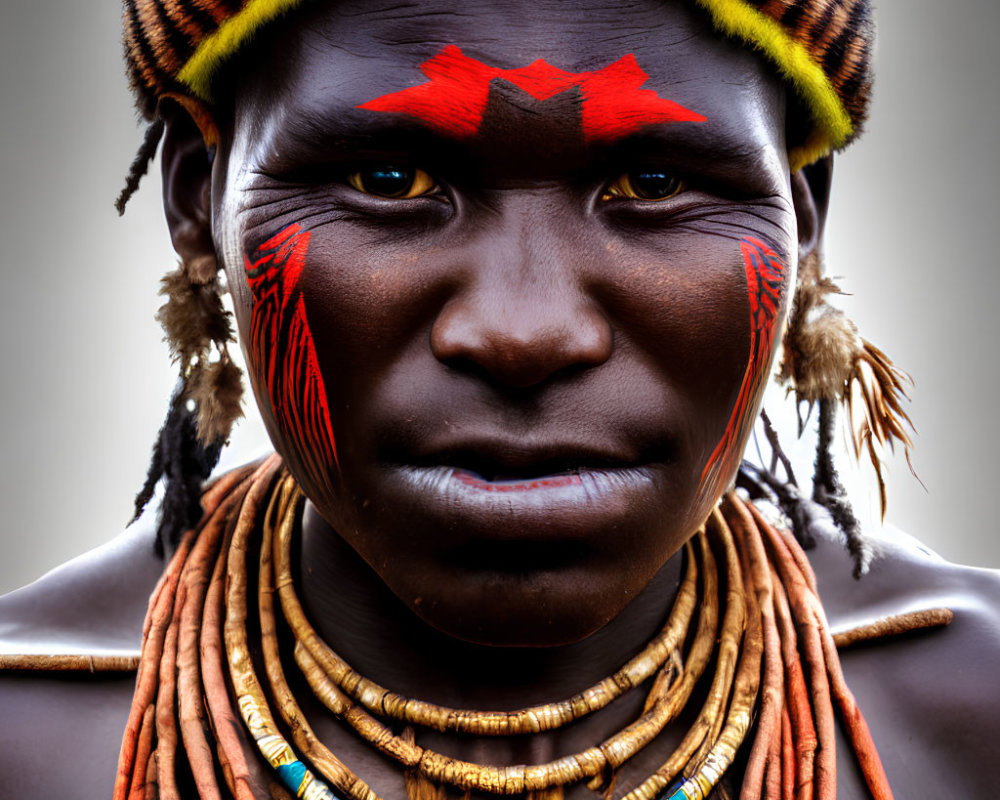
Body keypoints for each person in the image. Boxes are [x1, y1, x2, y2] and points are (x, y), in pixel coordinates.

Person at [1, 1, 998, 798]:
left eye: (651, 181)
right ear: (199, 200)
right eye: (388, 177)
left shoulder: (971, 709)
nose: (525, 332)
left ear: (803, 217)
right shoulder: (28, 736)